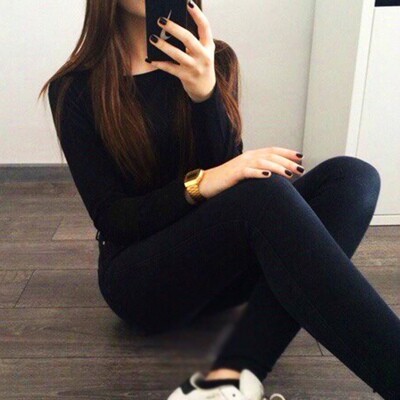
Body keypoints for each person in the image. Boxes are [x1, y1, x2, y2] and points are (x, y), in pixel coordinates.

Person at [39, 1, 400, 399]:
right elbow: (113, 218)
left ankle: (231, 379)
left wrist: (205, 95)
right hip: (142, 280)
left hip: (220, 268)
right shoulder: (74, 89)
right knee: (263, 194)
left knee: (353, 178)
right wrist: (202, 183)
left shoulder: (215, 59)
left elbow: (232, 179)